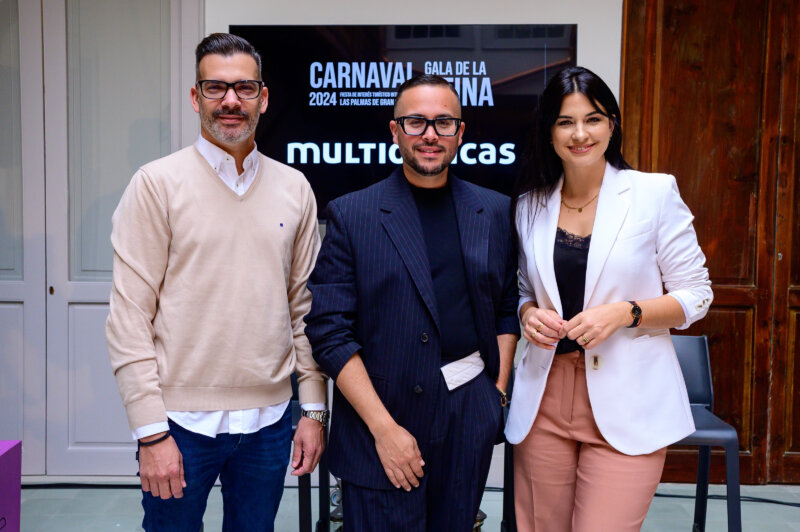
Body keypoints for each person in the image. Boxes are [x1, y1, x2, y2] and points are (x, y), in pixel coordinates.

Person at [106, 33, 328, 532]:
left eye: (245, 88)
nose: (231, 100)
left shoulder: (294, 189)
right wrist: (150, 435)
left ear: (263, 98)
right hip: (178, 427)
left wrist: (313, 407)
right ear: (195, 97)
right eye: (216, 87)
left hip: (270, 424)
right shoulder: (156, 184)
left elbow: (304, 310)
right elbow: (129, 319)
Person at [304, 74, 519, 532]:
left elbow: (505, 306)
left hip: (467, 416)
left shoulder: (495, 211)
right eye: (416, 121)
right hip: (379, 419)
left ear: (461, 132)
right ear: (394, 130)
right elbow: (329, 331)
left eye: (443, 123)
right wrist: (384, 430)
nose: (429, 134)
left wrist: (495, 394)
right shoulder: (353, 213)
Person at [505, 65, 713, 532]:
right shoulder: (529, 203)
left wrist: (627, 312)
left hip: (629, 398)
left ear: (612, 123)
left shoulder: (653, 193)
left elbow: (697, 295)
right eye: (565, 122)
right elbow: (523, 287)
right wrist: (527, 313)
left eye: (593, 118)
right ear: (549, 132)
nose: (581, 133)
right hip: (545, 397)